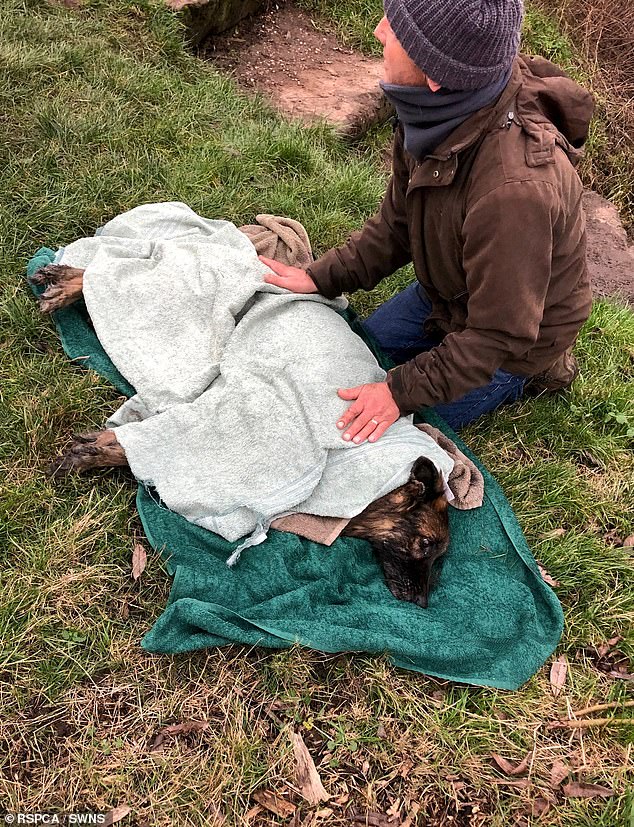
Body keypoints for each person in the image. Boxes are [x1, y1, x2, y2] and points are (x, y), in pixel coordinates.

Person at [260, 0, 594, 442]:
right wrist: (320, 277)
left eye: (395, 29)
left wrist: (398, 394)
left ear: (435, 74)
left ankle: (544, 368)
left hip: (508, 342)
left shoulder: (514, 194)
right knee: (348, 358)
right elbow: (398, 224)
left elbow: (497, 335)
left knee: (374, 434)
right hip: (446, 293)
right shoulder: (436, 112)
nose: (379, 31)